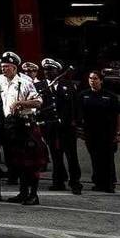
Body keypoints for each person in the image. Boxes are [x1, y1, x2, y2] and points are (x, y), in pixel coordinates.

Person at [0, 52, 46, 205]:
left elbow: (38, 102)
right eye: (2, 67)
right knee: (17, 162)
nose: (4, 69)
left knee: (31, 162)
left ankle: (33, 194)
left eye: (7, 67)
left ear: (14, 67)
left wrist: (20, 103)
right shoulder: (0, 82)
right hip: (10, 126)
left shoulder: (24, 82)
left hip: (25, 125)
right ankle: (23, 192)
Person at [39, 58, 82, 194]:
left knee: (71, 156)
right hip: (50, 128)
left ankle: (75, 182)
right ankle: (58, 181)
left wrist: (76, 122)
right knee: (56, 155)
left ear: (57, 71)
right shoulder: (39, 86)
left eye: (51, 70)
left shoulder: (68, 85)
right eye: (46, 70)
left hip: (67, 128)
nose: (47, 72)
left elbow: (76, 106)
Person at [79, 70, 120, 193]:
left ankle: (109, 183)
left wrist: (119, 132)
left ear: (101, 80)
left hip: (108, 132)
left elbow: (118, 115)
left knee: (108, 158)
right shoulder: (84, 95)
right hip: (91, 133)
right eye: (91, 78)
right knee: (95, 158)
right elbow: (79, 114)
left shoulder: (110, 96)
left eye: (95, 78)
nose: (92, 81)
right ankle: (98, 182)